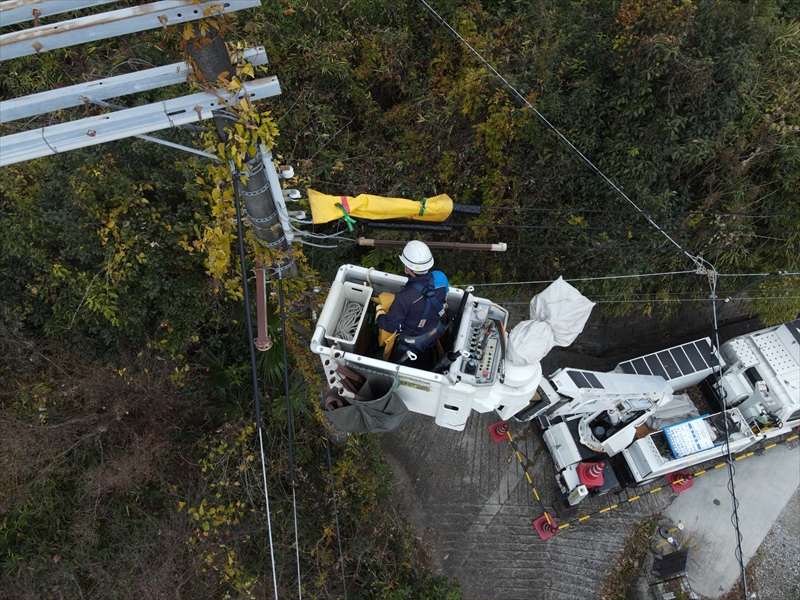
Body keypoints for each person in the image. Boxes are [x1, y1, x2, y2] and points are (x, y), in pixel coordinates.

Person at [375, 240, 449, 368]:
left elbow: (389, 326)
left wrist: (379, 314)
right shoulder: (441, 277)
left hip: (411, 343)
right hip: (434, 332)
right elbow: (443, 297)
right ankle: (425, 365)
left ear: (408, 267)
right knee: (424, 358)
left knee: (393, 364)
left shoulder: (404, 297)